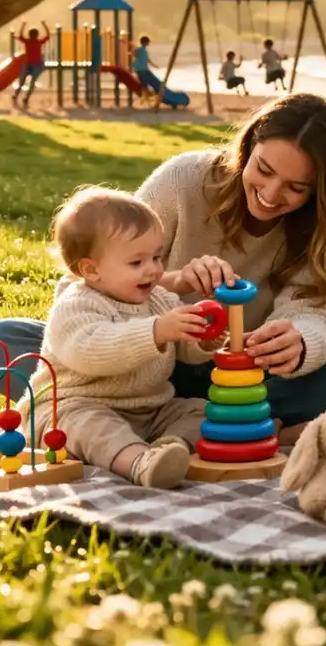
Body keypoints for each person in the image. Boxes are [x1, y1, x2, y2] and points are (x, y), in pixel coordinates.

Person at [0, 94, 326, 442]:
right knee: (1, 341)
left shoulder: (323, 230)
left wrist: (302, 341)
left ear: (323, 191)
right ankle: (216, 426)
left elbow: (316, 313)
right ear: (249, 145)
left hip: (248, 382)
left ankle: (202, 420)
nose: (271, 194)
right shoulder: (185, 180)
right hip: (136, 368)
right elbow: (90, 278)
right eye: (263, 170)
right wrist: (171, 284)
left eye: (296, 188)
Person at [23, 187, 216, 488]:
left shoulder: (160, 299)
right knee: (91, 427)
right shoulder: (76, 305)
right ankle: (139, 461)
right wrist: (156, 331)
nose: (153, 270)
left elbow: (187, 352)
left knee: (205, 412)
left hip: (149, 411)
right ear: (91, 269)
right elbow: (91, 350)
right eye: (137, 263)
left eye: (156, 256)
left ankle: (168, 448)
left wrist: (205, 336)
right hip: (72, 407)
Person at [13, 21, 51, 106]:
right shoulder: (32, 41)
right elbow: (48, 35)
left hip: (33, 65)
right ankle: (20, 96)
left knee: (26, 82)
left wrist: (23, 25)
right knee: (26, 82)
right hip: (32, 65)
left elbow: (20, 35)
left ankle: (23, 97)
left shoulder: (34, 42)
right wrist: (44, 25)